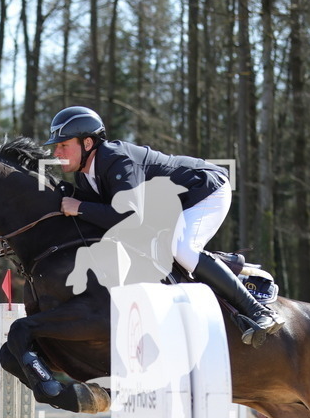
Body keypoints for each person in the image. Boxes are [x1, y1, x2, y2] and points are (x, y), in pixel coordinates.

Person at [44, 106, 283, 346]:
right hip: (173, 205)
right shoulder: (85, 175)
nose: (57, 152)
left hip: (205, 190)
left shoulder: (116, 160)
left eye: (63, 145)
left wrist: (81, 207)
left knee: (183, 249)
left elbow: (129, 216)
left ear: (87, 144)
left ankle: (258, 311)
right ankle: (232, 268)